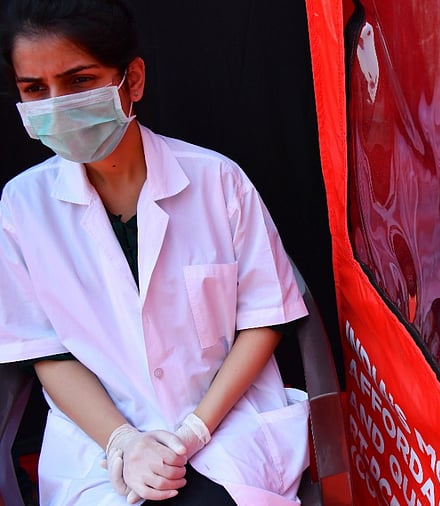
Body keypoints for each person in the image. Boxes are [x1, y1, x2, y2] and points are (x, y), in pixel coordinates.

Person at [0, 1, 310, 504]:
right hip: (97, 444)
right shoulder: (21, 207)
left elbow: (264, 318)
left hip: (223, 425)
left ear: (133, 80)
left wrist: (192, 431)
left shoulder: (217, 181)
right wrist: (122, 441)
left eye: (79, 81)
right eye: (36, 90)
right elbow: (45, 351)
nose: (57, 104)